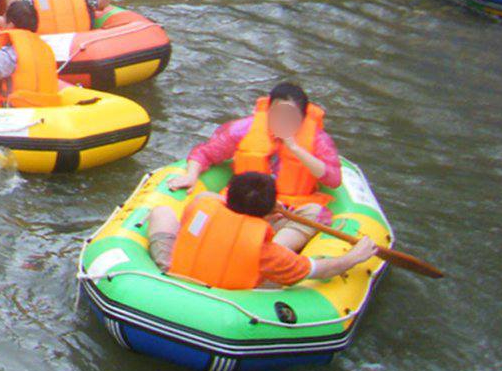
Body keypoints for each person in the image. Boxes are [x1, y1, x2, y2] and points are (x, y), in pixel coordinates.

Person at [144, 171, 378, 290]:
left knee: (162, 212)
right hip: (226, 294)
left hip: (173, 270)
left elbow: (213, 208)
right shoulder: (264, 251)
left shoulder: (202, 204)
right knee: (284, 268)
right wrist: (354, 256)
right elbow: (319, 269)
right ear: (267, 211)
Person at [165, 83, 342, 237]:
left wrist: (295, 148)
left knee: (313, 213)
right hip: (245, 204)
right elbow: (205, 153)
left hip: (287, 211)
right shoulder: (243, 129)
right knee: (203, 199)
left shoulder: (318, 140)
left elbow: (333, 179)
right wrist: (191, 175)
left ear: (302, 118)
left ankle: (271, 254)